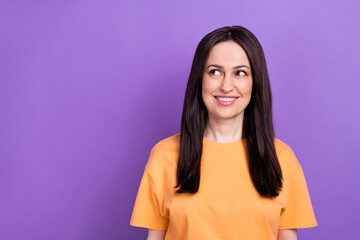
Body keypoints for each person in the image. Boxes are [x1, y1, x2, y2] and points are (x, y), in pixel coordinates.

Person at [130, 25, 317, 240]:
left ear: (255, 82)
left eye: (240, 73)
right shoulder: (164, 155)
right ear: (200, 79)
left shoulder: (282, 159)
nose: (226, 86)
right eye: (215, 72)